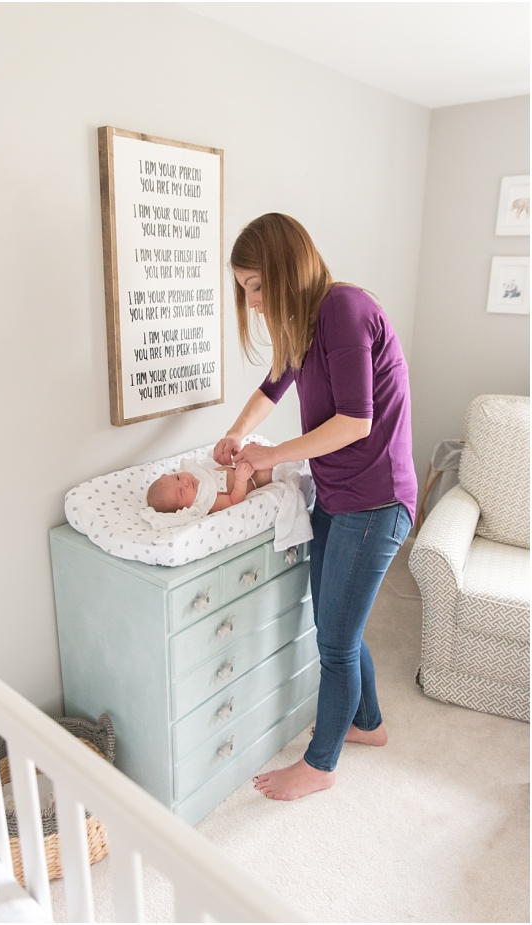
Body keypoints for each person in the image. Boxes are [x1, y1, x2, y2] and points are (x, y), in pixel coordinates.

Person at [211, 213, 415, 801]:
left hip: (376, 500)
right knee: (337, 624)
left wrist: (272, 452)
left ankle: (321, 764)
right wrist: (234, 436)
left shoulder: (345, 311)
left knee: (334, 641)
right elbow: (272, 386)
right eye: (243, 289)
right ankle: (366, 725)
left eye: (254, 285)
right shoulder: (302, 326)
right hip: (337, 493)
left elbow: (356, 420)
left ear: (282, 269)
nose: (250, 302)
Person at [145, 458, 272, 518]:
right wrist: (241, 479)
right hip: (251, 480)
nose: (185, 483)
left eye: (177, 477)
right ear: (185, 508)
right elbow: (234, 501)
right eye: (182, 492)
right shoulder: (206, 501)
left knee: (254, 454)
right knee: (264, 473)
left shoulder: (192, 473)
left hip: (238, 466)